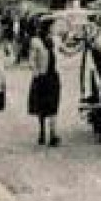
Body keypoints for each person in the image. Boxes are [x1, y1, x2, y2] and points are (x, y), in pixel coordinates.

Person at [27, 16, 62, 147]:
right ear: (48, 27)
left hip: (53, 77)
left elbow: (67, 51)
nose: (55, 28)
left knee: (53, 106)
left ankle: (53, 134)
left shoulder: (55, 40)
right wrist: (35, 71)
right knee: (41, 107)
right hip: (42, 78)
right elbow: (31, 59)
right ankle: (42, 132)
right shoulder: (36, 41)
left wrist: (82, 45)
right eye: (53, 26)